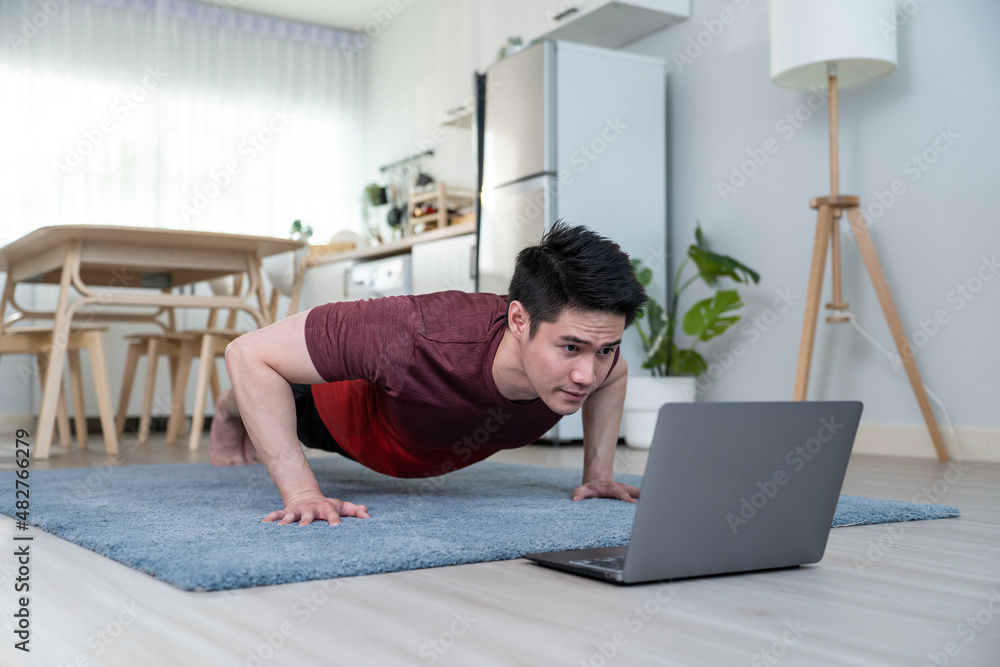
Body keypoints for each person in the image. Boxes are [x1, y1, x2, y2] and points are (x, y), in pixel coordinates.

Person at [213, 222, 648, 526]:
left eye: (605, 349)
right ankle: (229, 411)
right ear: (518, 320)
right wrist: (302, 493)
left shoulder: (596, 365)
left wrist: (598, 475)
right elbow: (248, 352)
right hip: (335, 418)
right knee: (275, 386)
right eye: (571, 348)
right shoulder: (415, 331)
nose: (587, 375)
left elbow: (616, 375)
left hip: (427, 445)